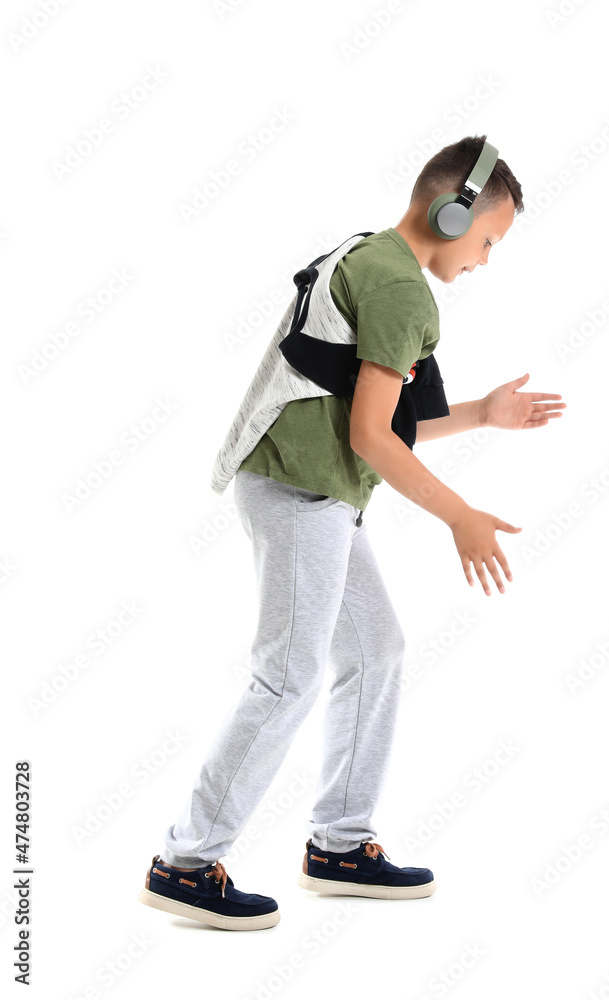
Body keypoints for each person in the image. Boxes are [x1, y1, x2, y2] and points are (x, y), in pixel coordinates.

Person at [138, 134, 565, 931]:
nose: (484, 259)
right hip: (303, 492)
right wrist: (459, 516)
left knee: (374, 651)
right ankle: (185, 862)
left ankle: (339, 844)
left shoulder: (370, 256)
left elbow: (384, 417)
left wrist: (481, 415)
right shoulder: (402, 291)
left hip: (309, 489)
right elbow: (373, 438)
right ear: (451, 210)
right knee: (287, 676)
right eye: (487, 240)